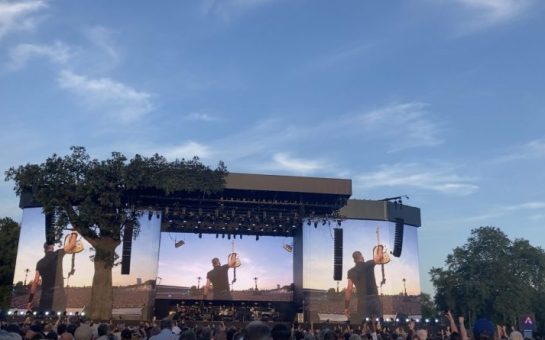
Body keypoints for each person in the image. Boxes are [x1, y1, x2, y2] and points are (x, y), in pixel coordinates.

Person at [28, 232, 78, 311]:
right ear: (52, 247)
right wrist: (74, 233)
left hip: (45, 295)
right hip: (59, 294)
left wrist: (30, 300)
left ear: (45, 248)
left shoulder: (39, 262)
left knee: (44, 319)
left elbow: (35, 282)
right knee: (59, 318)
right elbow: (72, 244)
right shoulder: (58, 253)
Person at [344, 247, 384, 323]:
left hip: (362, 301)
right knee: (380, 323)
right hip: (374, 299)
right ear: (361, 256)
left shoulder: (351, 272)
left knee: (365, 325)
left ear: (354, 260)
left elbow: (349, 289)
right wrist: (380, 248)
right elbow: (380, 256)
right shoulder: (368, 264)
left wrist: (346, 307)